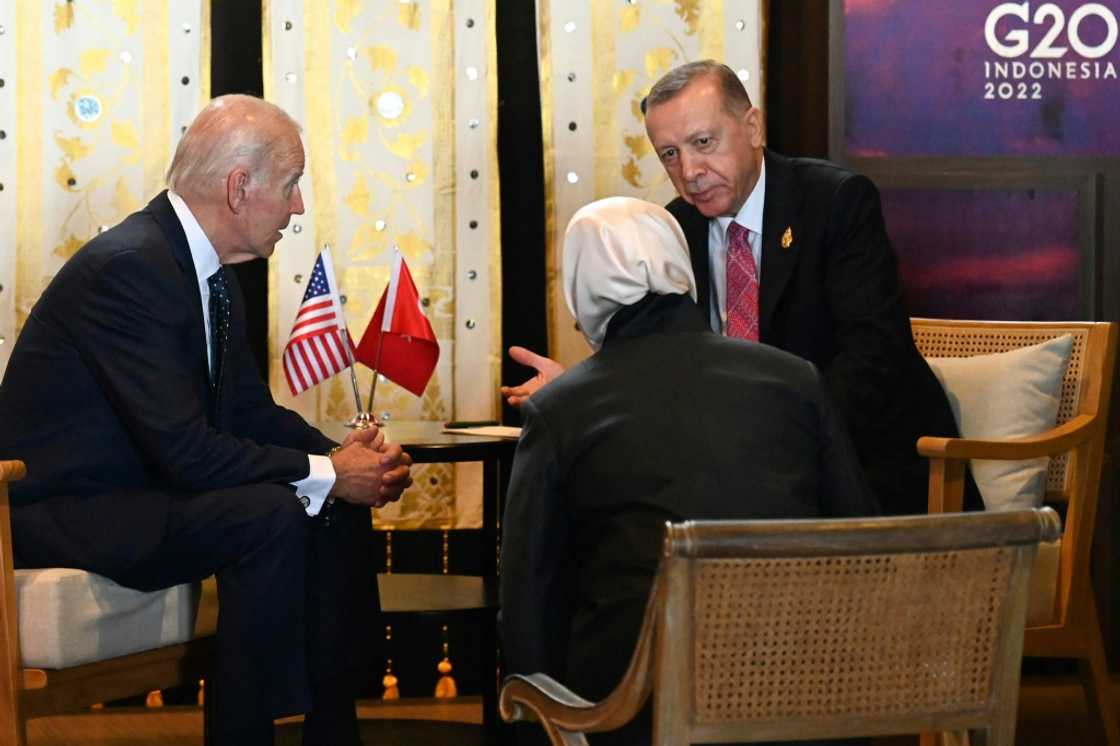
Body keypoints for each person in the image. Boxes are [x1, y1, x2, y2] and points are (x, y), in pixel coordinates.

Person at [0, 95, 411, 746]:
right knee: (272, 512)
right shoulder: (130, 268)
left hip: (138, 493)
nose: (298, 208)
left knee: (326, 501)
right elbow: (188, 453)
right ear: (240, 188)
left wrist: (344, 461)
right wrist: (331, 470)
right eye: (292, 186)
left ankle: (332, 728)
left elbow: (249, 414)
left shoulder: (206, 273)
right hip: (64, 510)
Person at [502, 61, 966, 516]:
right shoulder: (673, 228)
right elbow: (654, 362)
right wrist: (580, 392)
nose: (689, 171)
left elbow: (874, 357)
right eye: (669, 154)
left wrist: (771, 442)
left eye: (703, 143)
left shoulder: (835, 203)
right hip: (737, 479)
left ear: (753, 128)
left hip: (860, 466)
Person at [499, 196, 879, 745]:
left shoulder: (561, 409)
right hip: (799, 700)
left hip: (635, 711)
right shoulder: (795, 378)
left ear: (579, 287)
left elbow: (526, 604)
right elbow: (861, 539)